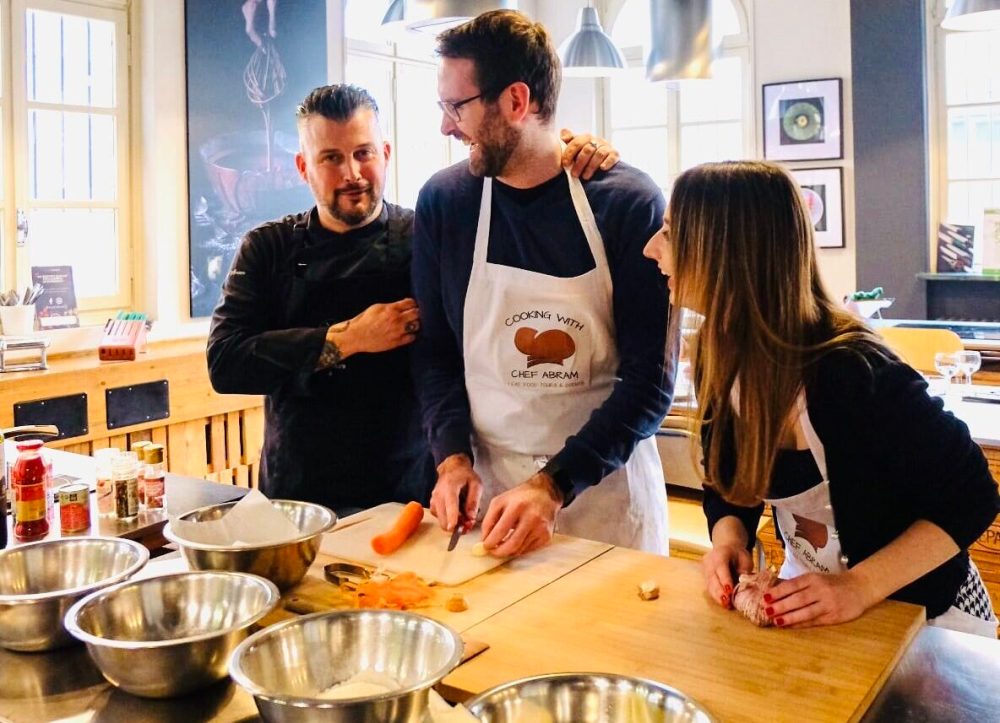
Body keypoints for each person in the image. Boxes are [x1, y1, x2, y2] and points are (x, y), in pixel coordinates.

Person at [208, 83, 620, 516]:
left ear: (385, 153)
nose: (352, 173)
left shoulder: (426, 233)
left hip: (411, 492)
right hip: (297, 494)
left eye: (363, 153)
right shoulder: (267, 248)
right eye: (330, 158)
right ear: (302, 166)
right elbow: (226, 363)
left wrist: (567, 150)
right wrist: (350, 337)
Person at [643, 160, 1000, 636]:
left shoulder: (851, 371)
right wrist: (728, 536)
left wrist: (858, 586)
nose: (652, 249)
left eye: (669, 232)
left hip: (927, 616)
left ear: (727, 250)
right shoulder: (717, 353)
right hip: (817, 605)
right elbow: (730, 480)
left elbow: (972, 495)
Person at [412, 10, 676, 558]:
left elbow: (650, 382)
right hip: (492, 503)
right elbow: (436, 353)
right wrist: (452, 458)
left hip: (604, 499)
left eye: (455, 107)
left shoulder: (625, 203)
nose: (444, 127)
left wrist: (554, 485)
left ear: (515, 101)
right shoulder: (446, 203)